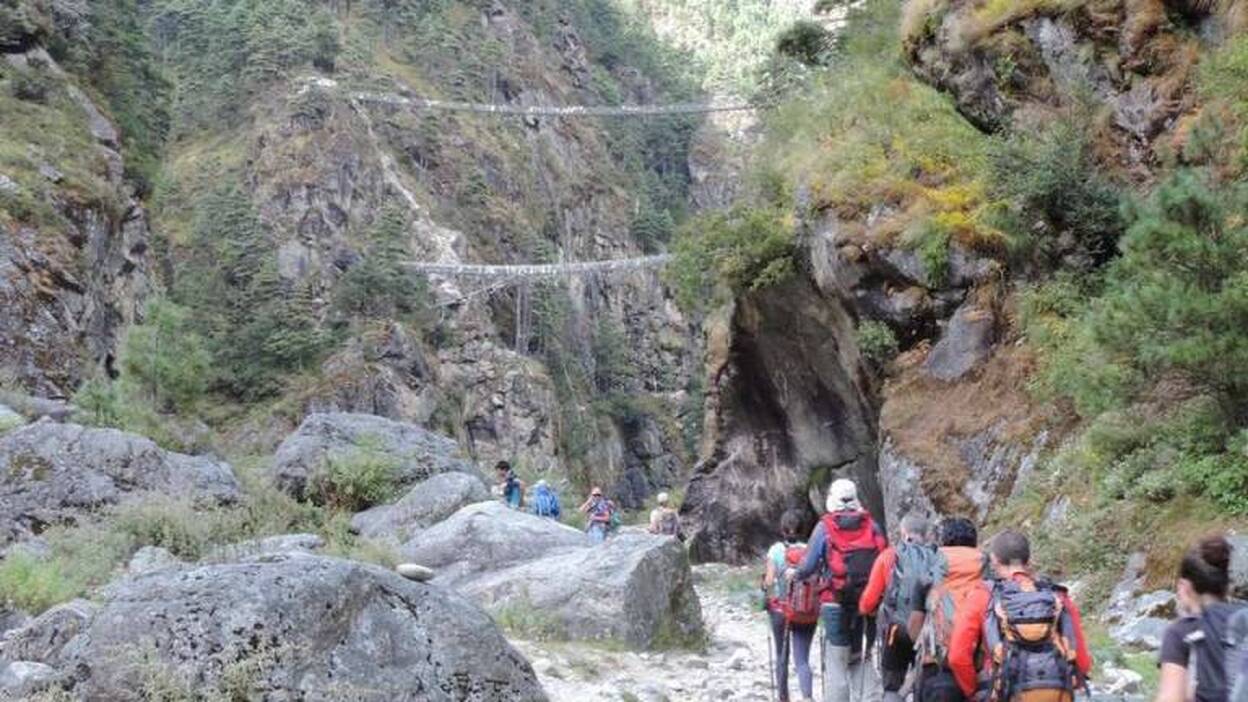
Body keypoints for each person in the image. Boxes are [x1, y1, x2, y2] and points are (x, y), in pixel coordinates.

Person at [947, 530, 1092, 702]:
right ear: (1028, 560)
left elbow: (957, 656)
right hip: (1055, 693)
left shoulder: (983, 595)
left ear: (994, 560)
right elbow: (1082, 661)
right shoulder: (1056, 596)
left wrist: (972, 691)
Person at [787, 478, 888, 702]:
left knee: (836, 661)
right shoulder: (872, 525)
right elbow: (885, 559)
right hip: (865, 601)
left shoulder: (825, 526)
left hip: (834, 601)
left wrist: (795, 573)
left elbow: (809, 565)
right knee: (859, 656)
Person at [1155, 535, 1245, 702]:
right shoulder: (1244, 619)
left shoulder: (1182, 631)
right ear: (1226, 587)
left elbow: (1171, 698)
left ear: (1184, 586)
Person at [860, 513, 938, 702]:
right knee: (925, 684)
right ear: (927, 535)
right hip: (928, 632)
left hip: (897, 629)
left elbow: (868, 601)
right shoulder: (938, 558)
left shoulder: (889, 556)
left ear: (903, 532)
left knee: (892, 686)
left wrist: (867, 610)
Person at [911, 517, 987, 702]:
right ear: (974, 542)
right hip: (982, 670)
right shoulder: (989, 569)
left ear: (943, 541)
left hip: (937, 669)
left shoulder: (927, 572)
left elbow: (914, 627)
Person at [765, 509, 820, 702]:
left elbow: (769, 581)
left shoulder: (775, 550)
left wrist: (765, 594)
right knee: (802, 658)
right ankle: (807, 696)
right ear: (803, 528)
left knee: (782, 654)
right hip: (806, 609)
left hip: (781, 609)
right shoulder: (810, 550)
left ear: (782, 529)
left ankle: (783, 697)